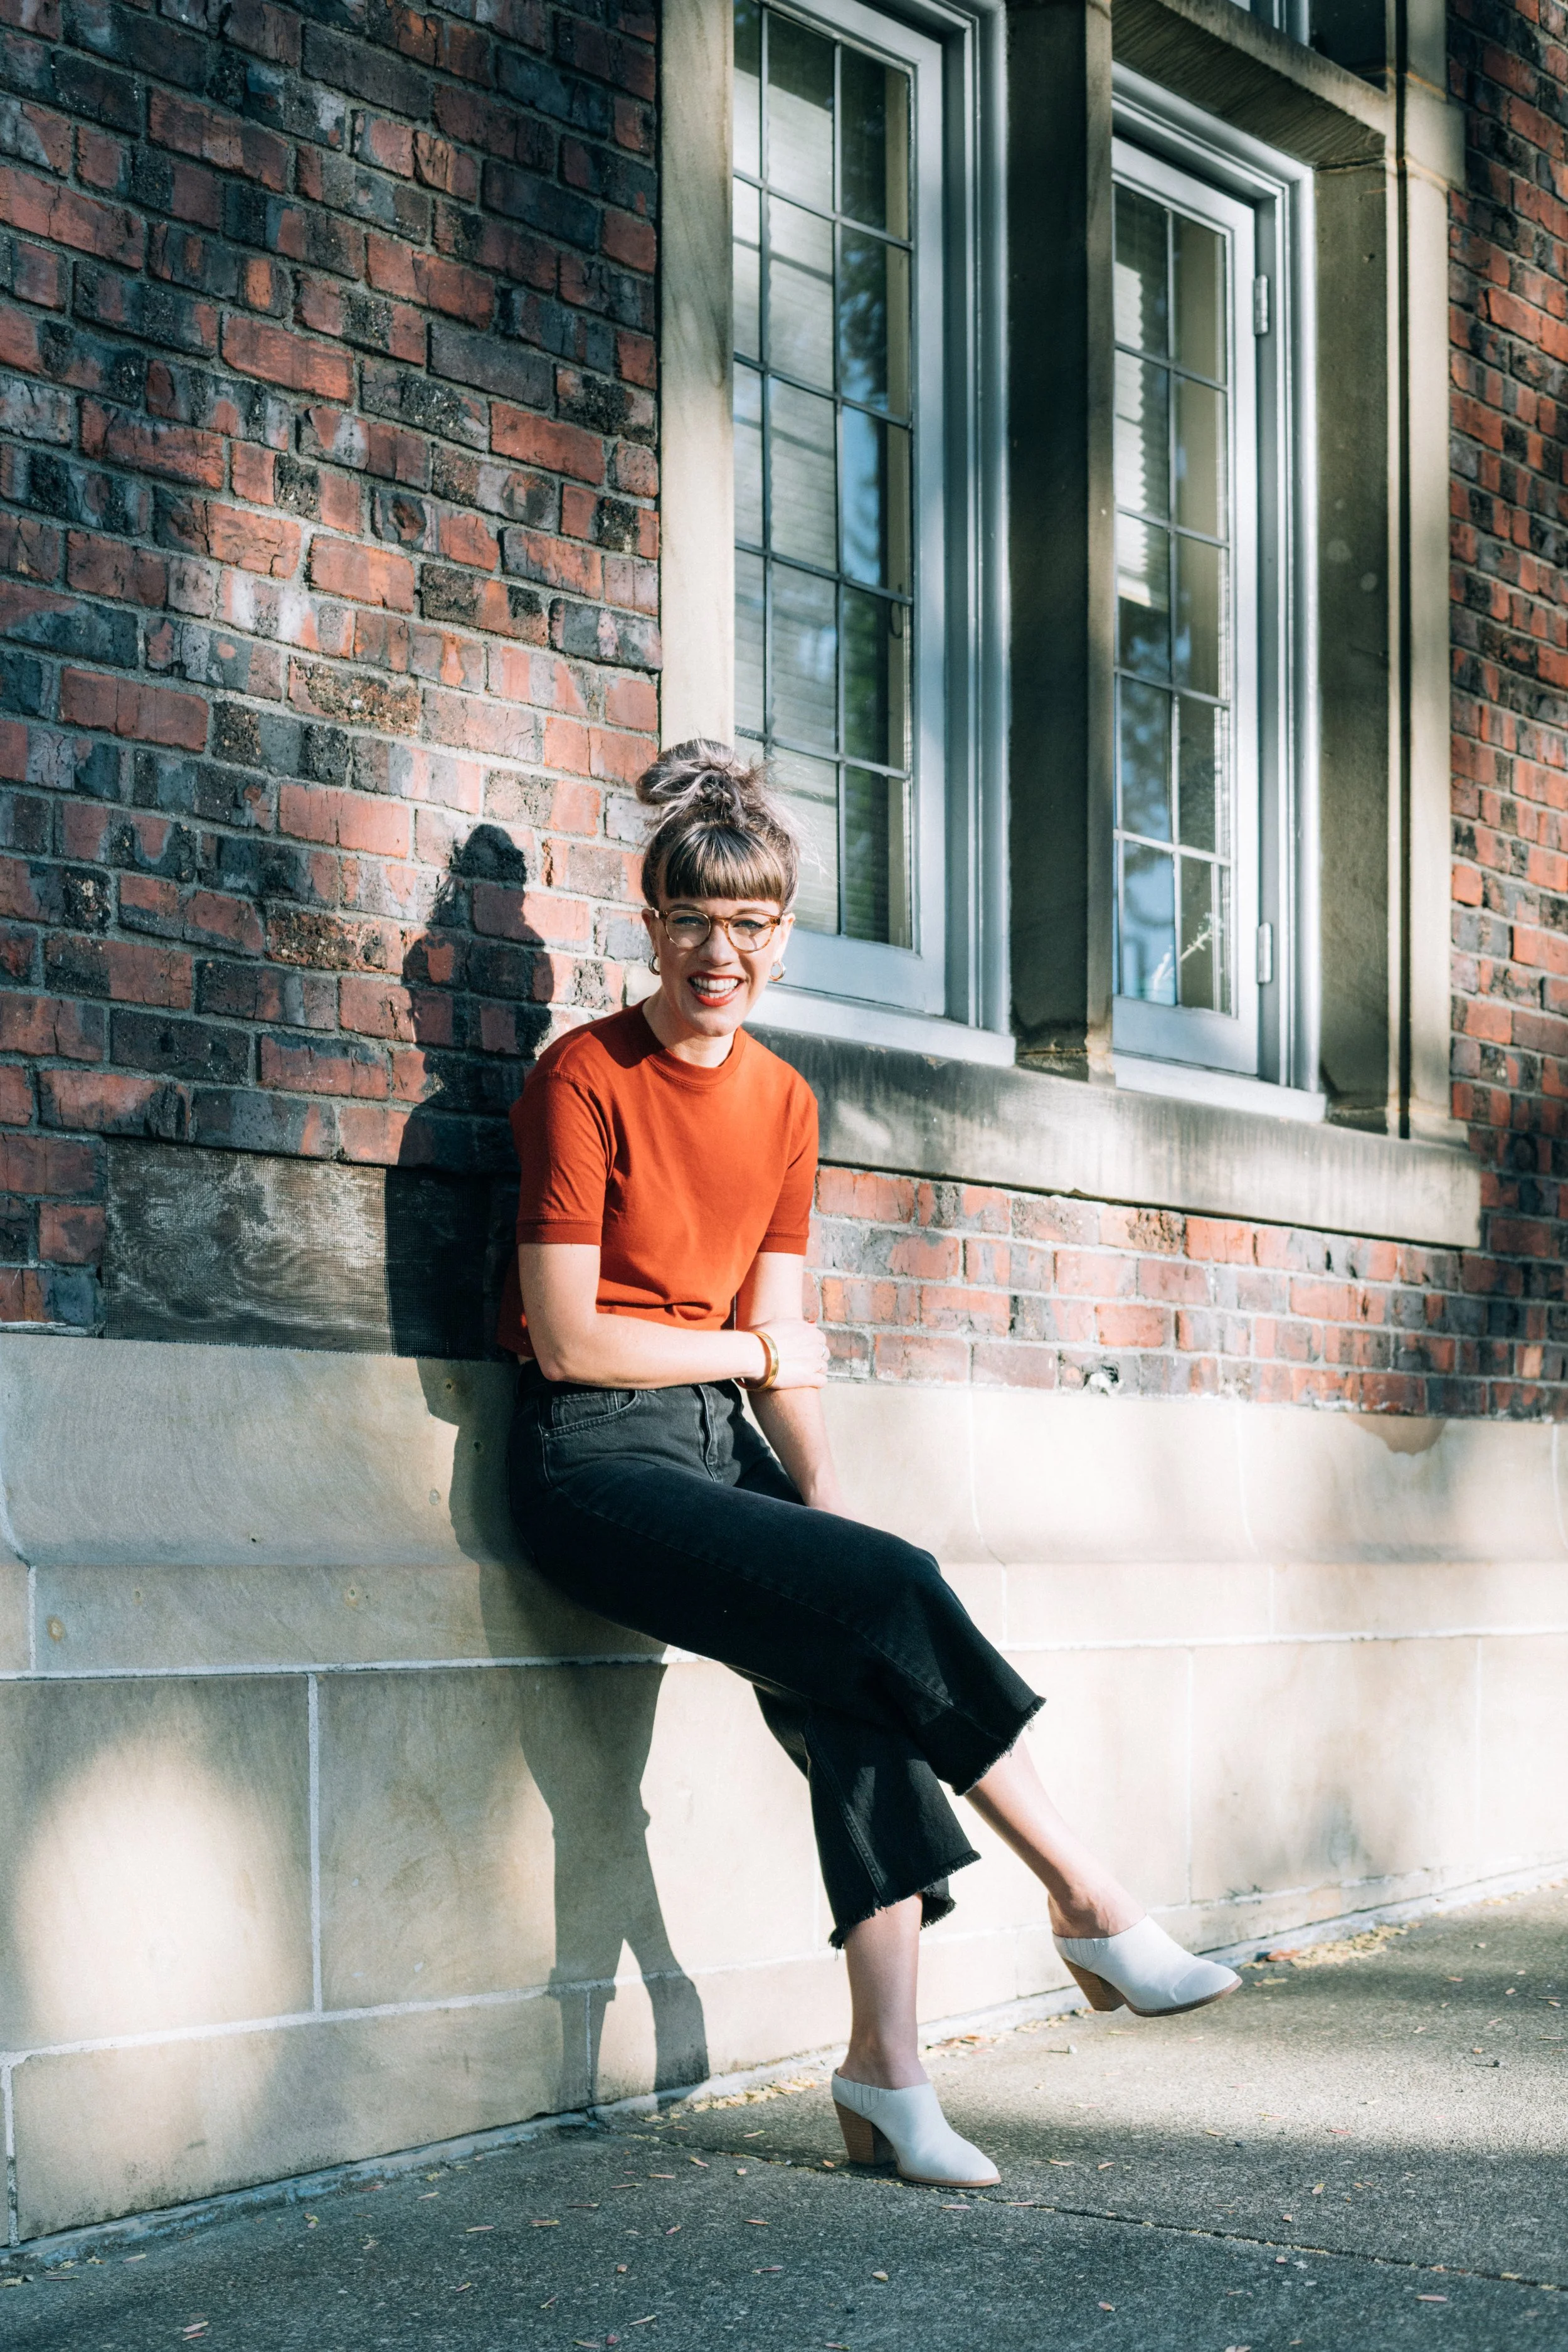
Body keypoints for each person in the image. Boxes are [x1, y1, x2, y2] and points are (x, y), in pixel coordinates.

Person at [498, 740, 1239, 2189]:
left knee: (864, 1667)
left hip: (722, 1455)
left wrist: (819, 1510)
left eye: (754, 924)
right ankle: (1085, 1895)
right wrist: (744, 1364)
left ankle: (885, 2078)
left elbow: (786, 1335)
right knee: (887, 1596)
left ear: (781, 931)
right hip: (591, 1469)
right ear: (648, 920)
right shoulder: (580, 1076)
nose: (723, 953)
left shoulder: (780, 1101)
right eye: (694, 921)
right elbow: (572, 1340)